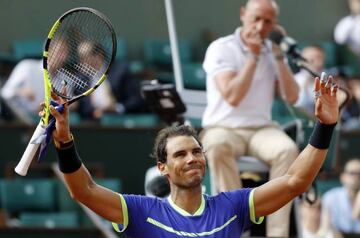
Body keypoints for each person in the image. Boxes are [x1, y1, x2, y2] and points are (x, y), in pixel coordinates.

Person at [47, 72, 338, 237]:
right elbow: (84, 190)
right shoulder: (141, 212)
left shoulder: (233, 206)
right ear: (162, 167)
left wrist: (325, 126)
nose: (191, 158)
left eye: (197, 151)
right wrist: (63, 138)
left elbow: (294, 182)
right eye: (181, 154)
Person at [200, 0, 299, 236]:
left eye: (268, 21)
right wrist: (253, 58)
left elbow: (292, 97)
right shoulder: (221, 47)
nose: (261, 25)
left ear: (274, 24)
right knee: (216, 145)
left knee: (288, 149)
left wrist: (279, 59)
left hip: (262, 129)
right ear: (243, 14)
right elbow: (233, 96)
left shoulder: (272, 50)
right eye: (256, 18)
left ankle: (277, 233)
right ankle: (233, 228)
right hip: (222, 127)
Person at [322, 158, 360, 234]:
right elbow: (326, 229)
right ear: (343, 177)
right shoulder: (331, 197)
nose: (357, 177)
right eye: (352, 173)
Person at [0, 59, 44, 125]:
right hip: (18, 122)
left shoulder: (62, 78)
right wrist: (20, 92)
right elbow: (5, 92)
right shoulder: (26, 66)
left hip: (40, 122)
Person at [294, 46, 326, 116]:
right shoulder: (295, 80)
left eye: (321, 59)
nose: (319, 63)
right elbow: (297, 106)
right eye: (312, 59)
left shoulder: (330, 79)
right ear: (302, 61)